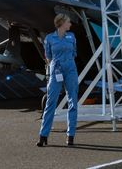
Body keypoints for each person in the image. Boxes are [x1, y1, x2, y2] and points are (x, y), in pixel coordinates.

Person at [37, 14, 79, 147]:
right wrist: (57, 65)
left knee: (73, 101)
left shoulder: (71, 36)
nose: (70, 24)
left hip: (70, 69)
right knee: (51, 101)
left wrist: (67, 62)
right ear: (61, 23)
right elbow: (48, 56)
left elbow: (74, 52)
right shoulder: (49, 38)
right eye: (68, 22)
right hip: (56, 70)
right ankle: (43, 135)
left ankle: (70, 135)